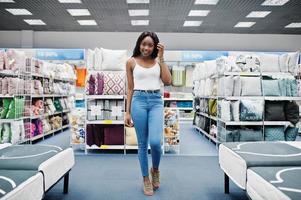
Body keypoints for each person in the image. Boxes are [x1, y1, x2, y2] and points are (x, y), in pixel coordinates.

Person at [125, 31, 172, 196]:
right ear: (139, 44)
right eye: (144, 44)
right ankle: (146, 178)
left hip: (156, 102)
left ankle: (156, 170)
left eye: (150, 45)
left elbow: (167, 81)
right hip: (138, 101)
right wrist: (127, 112)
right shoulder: (131, 62)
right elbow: (130, 88)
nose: (146, 47)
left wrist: (162, 57)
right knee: (143, 144)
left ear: (155, 47)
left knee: (156, 142)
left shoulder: (159, 62)